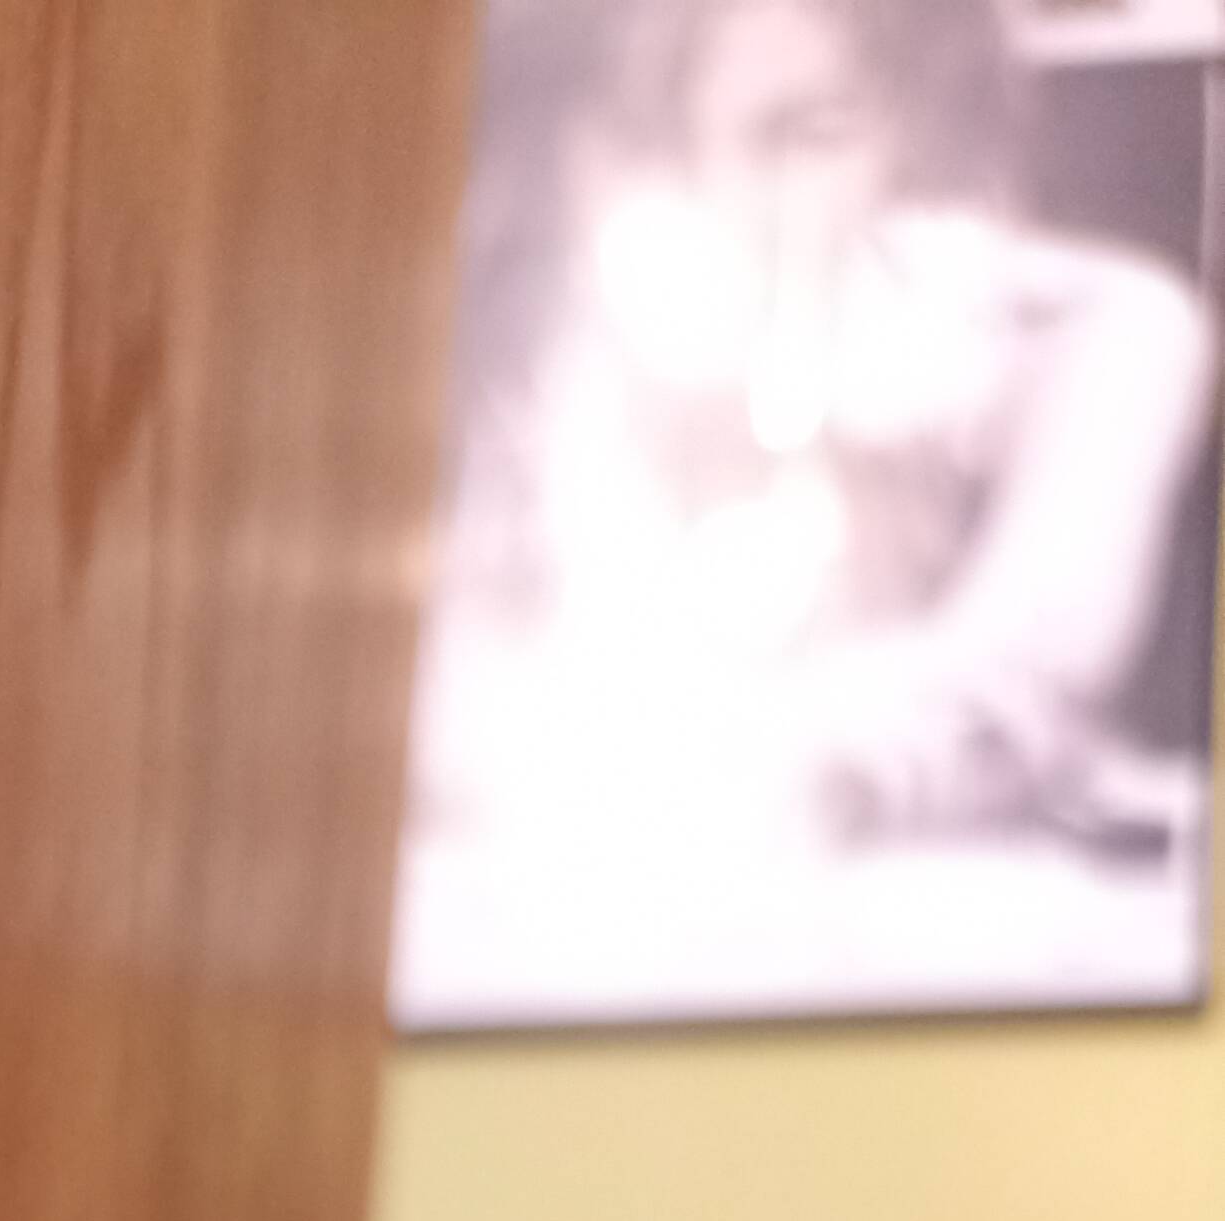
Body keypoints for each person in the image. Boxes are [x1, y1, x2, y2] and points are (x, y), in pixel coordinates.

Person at [415, 0, 1218, 853]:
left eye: (808, 134)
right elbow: (454, 723)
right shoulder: (526, 352)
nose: (726, 195)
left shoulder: (1078, 331)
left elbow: (1015, 674)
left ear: (913, 135)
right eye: (649, 135)